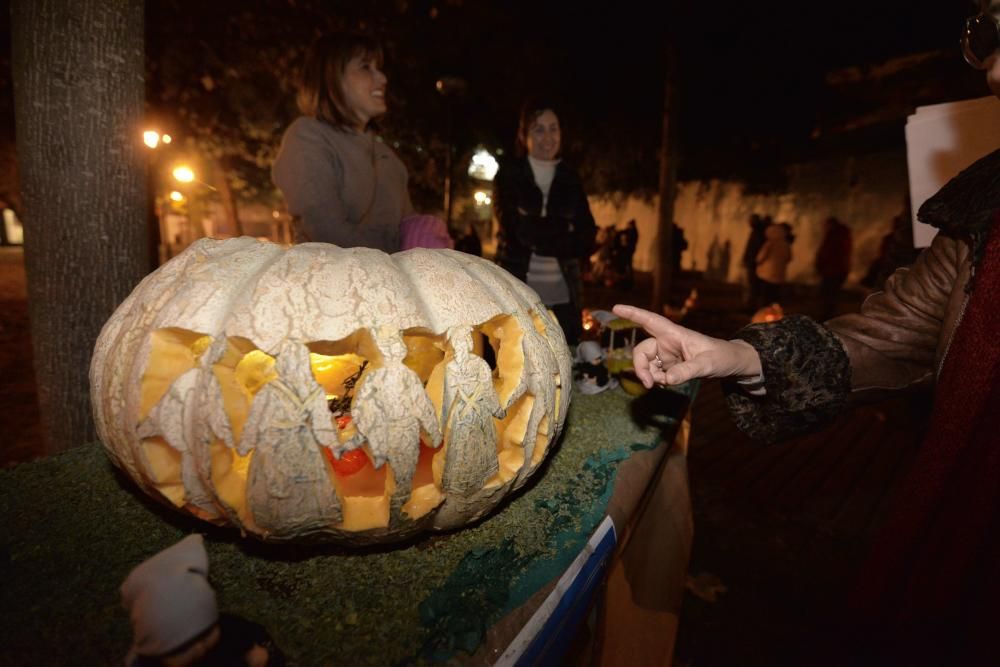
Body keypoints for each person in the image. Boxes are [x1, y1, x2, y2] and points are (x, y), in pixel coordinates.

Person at [614, 3, 1000, 661]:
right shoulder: (983, 217)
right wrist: (736, 354)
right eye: (988, 37)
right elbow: (876, 339)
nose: (995, 71)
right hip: (955, 560)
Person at [272, 32, 413, 252]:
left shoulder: (389, 158)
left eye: (379, 68)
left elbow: (409, 229)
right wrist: (403, 252)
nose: (383, 79)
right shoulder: (308, 136)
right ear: (331, 78)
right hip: (330, 282)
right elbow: (328, 236)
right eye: (366, 67)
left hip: (391, 283)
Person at [493, 101, 597, 345]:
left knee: (564, 368)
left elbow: (587, 235)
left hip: (564, 297)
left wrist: (537, 227)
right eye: (539, 129)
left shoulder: (570, 178)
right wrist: (563, 228)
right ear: (524, 135)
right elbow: (517, 231)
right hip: (516, 293)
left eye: (553, 128)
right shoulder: (509, 175)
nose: (547, 137)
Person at [121, 535, 283, 666]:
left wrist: (261, 656)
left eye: (206, 633)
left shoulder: (231, 632)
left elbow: (254, 636)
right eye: (182, 648)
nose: (199, 648)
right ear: (153, 650)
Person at [814, 216, 853, 320]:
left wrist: (820, 265)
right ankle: (828, 315)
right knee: (831, 294)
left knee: (828, 294)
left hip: (832, 271)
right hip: (838, 270)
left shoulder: (834, 237)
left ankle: (826, 317)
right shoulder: (843, 235)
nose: (823, 227)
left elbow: (828, 254)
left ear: (831, 225)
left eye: (825, 225)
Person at [754, 220, 792, 308]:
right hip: (780, 274)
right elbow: (789, 258)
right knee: (775, 294)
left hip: (767, 274)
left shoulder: (769, 244)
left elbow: (760, 257)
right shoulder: (786, 244)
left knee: (766, 294)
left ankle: (764, 312)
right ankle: (775, 312)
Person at [741, 213, 769, 309]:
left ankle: (751, 306)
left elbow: (753, 249)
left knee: (753, 285)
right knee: (753, 285)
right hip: (753, 262)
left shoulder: (758, 233)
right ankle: (752, 305)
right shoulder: (757, 232)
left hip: (753, 263)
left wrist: (750, 260)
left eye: (751, 220)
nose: (749, 223)